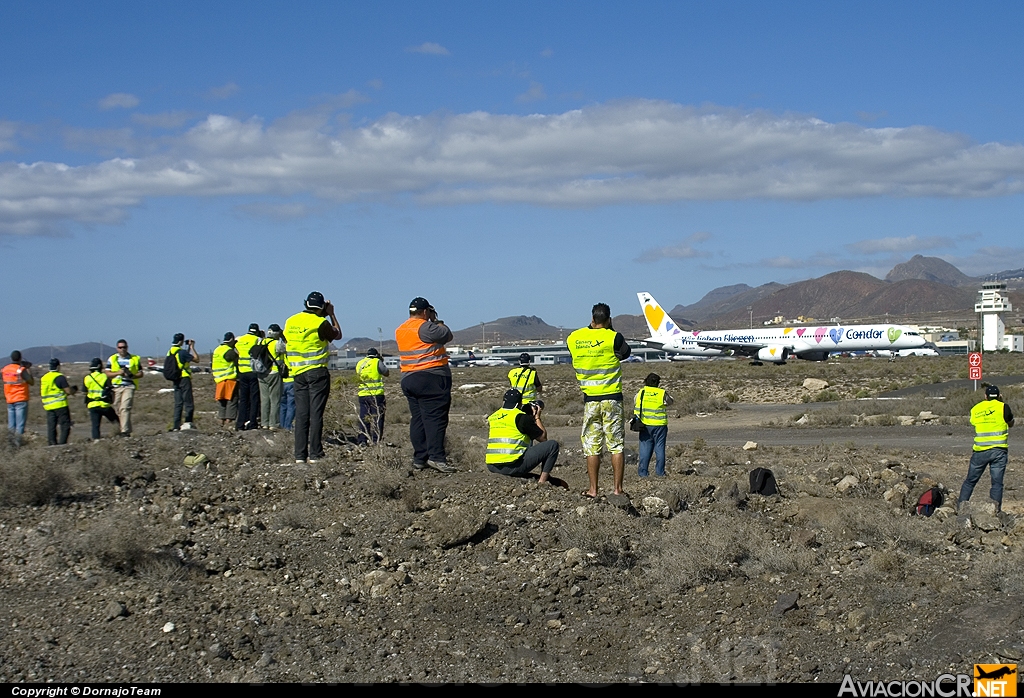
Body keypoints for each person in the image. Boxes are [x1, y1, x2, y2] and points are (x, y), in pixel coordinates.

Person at [567, 302, 631, 497]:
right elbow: (625, 353)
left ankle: (593, 489)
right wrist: (609, 330)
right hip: (612, 399)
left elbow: (574, 353)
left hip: (590, 401)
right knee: (616, 445)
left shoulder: (574, 338)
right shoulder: (613, 337)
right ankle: (617, 490)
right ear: (609, 319)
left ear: (592, 318)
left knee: (591, 445)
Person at [396, 297, 456, 472]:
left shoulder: (401, 329)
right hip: (431, 378)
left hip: (408, 378)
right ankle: (437, 457)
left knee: (418, 419)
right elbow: (446, 334)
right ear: (425, 312)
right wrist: (437, 320)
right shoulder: (426, 327)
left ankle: (419, 458)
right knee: (435, 418)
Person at [284, 291, 342, 464]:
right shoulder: (320, 323)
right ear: (322, 306)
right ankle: (316, 453)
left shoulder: (290, 321)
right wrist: (331, 314)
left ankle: (299, 455)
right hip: (317, 372)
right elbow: (337, 334)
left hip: (298, 374)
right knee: (316, 414)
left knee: (302, 414)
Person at [486, 388, 563, 486]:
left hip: (492, 466)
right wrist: (537, 417)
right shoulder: (521, 417)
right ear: (519, 403)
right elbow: (543, 439)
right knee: (552, 445)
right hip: (512, 465)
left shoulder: (493, 417)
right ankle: (542, 482)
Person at [959, 384, 1015, 514]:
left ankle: (960, 509)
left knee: (970, 481)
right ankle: (995, 512)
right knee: (997, 484)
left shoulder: (976, 409)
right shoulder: (1003, 407)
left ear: (985, 396)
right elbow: (1011, 423)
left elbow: (973, 422)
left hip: (980, 451)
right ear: (1000, 396)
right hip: (999, 451)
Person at [634, 373, 674, 477]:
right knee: (660, 449)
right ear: (657, 383)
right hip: (660, 425)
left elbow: (635, 402)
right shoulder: (662, 393)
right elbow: (670, 402)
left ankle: (643, 473)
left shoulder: (641, 392)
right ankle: (660, 473)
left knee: (644, 450)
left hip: (645, 425)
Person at [106, 339, 142, 436]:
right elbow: (107, 373)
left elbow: (140, 373)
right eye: (120, 347)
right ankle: (127, 430)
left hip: (129, 386)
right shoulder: (112, 359)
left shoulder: (134, 359)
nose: (122, 349)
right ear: (117, 348)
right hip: (116, 387)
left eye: (124, 347)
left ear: (127, 347)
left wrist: (132, 375)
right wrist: (118, 373)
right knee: (118, 410)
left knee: (125, 408)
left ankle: (124, 432)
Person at [355, 347, 389, 445]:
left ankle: (362, 440)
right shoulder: (377, 362)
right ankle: (376, 440)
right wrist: (381, 361)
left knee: (364, 417)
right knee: (378, 418)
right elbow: (386, 373)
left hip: (363, 394)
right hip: (376, 395)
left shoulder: (360, 363)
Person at [40, 358, 76, 445]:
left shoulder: (44, 377)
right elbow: (68, 391)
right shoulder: (59, 377)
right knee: (65, 426)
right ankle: (62, 445)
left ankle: (51, 444)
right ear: (58, 366)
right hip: (60, 405)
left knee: (51, 427)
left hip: (48, 406)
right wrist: (73, 390)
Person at [234, 324, 263, 431]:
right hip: (253, 372)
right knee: (254, 398)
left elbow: (236, 352)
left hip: (242, 372)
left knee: (243, 399)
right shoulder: (257, 339)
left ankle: (240, 423)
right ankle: (252, 422)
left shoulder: (240, 340)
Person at [4, 350, 34, 446]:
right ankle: (17, 445)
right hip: (20, 398)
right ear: (20, 358)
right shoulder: (21, 370)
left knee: (11, 425)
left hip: (9, 399)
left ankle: (10, 445)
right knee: (20, 425)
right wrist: (28, 369)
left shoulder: (5, 369)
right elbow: (31, 382)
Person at [258, 324, 285, 430]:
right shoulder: (277, 343)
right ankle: (273, 424)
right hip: (274, 373)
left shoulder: (261, 342)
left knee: (264, 399)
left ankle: (264, 422)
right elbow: (285, 350)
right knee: (275, 399)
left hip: (261, 374)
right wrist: (283, 337)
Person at [84, 358, 119, 440]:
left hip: (92, 405)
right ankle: (120, 434)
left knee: (95, 425)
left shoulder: (87, 378)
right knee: (115, 421)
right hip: (104, 405)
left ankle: (96, 440)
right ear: (100, 366)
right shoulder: (105, 377)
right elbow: (110, 389)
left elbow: (84, 391)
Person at [168, 334, 197, 431]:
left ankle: (176, 425)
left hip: (176, 378)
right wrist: (192, 348)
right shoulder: (182, 352)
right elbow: (196, 359)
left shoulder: (170, 352)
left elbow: (183, 360)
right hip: (184, 378)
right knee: (188, 402)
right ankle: (188, 422)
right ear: (181, 341)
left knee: (178, 403)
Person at [212, 333, 240, 428]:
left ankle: (221, 420)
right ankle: (229, 421)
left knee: (222, 400)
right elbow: (232, 358)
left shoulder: (217, 349)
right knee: (231, 400)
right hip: (229, 378)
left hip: (219, 379)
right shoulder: (229, 351)